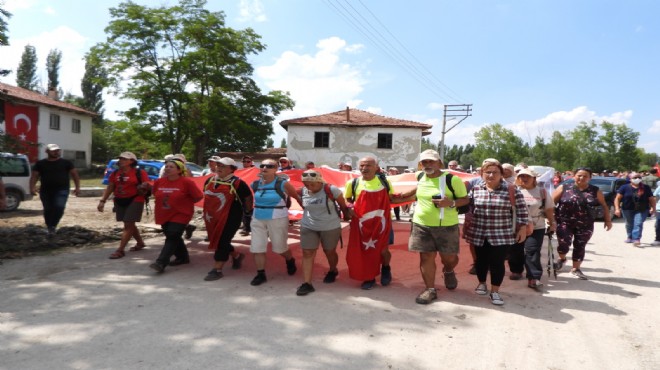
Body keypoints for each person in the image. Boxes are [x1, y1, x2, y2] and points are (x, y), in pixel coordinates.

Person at [398, 150, 468, 304]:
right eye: (424, 162)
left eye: (431, 161)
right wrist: (407, 193)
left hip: (447, 226)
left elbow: (465, 199)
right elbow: (421, 188)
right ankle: (430, 289)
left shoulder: (452, 180)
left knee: (449, 258)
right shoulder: (420, 176)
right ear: (420, 164)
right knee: (426, 257)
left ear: (439, 163)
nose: (428, 165)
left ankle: (448, 270)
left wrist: (451, 203)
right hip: (421, 224)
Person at [464, 158, 529, 306]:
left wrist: (523, 228)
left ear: (501, 174)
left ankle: (495, 291)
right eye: (488, 172)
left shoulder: (512, 190)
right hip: (478, 232)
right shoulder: (476, 190)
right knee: (480, 261)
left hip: (501, 234)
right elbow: (468, 209)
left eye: (495, 172)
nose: (491, 175)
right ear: (482, 174)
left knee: (497, 263)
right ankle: (481, 283)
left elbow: (522, 211)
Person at [344, 156, 399, 290]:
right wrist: (349, 208)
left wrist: (413, 195)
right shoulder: (353, 183)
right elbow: (347, 200)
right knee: (366, 251)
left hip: (382, 223)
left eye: (368, 165)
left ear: (376, 167)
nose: (364, 168)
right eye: (362, 166)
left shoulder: (384, 182)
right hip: (362, 224)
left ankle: (385, 267)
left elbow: (391, 199)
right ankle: (369, 277)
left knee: (383, 250)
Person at [295, 170, 351, 296]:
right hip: (308, 225)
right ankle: (307, 283)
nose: (309, 187)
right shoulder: (302, 191)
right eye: (306, 184)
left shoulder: (331, 190)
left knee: (329, 251)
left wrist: (347, 216)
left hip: (330, 226)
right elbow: (296, 198)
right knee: (307, 252)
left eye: (312, 184)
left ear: (319, 181)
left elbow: (343, 206)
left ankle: (332, 270)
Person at [249, 158, 302, 286]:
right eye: (262, 165)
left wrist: (308, 212)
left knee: (279, 248)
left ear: (276, 169)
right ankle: (260, 274)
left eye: (270, 166)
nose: (265, 168)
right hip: (257, 217)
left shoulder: (283, 184)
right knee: (257, 247)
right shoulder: (255, 184)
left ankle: (290, 260)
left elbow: (297, 197)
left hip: (277, 217)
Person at [553, 167, 612, 280]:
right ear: (574, 176)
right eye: (579, 175)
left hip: (586, 224)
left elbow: (604, 205)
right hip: (565, 221)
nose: (582, 178)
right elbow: (551, 203)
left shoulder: (595, 190)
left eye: (585, 176)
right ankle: (562, 258)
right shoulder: (563, 187)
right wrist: (550, 219)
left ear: (590, 178)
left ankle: (576, 269)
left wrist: (607, 220)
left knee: (580, 246)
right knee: (563, 243)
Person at [148, 158, 204, 273]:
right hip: (164, 213)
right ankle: (183, 257)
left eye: (171, 167)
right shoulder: (159, 182)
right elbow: (156, 194)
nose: (167, 168)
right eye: (166, 166)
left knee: (173, 234)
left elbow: (198, 196)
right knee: (172, 236)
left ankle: (161, 262)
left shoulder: (187, 182)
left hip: (181, 213)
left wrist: (184, 203)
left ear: (179, 170)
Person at [202, 157, 253, 281]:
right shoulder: (209, 180)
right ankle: (237, 256)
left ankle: (217, 269)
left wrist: (247, 214)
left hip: (231, 218)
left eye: (223, 166)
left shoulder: (238, 183)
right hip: (212, 217)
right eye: (218, 165)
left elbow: (247, 198)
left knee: (222, 240)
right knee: (218, 239)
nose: (219, 168)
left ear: (232, 169)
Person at [97, 152, 149, 259]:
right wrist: (102, 201)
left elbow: (147, 185)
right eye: (120, 158)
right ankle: (140, 243)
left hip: (135, 199)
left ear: (132, 161)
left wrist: (144, 187)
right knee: (129, 223)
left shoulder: (140, 172)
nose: (121, 161)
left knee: (128, 223)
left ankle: (120, 250)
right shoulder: (115, 173)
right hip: (119, 200)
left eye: (125, 159)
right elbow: (110, 187)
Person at [510, 168, 555, 289]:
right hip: (517, 226)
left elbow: (549, 209)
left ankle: (533, 277)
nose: (524, 179)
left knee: (532, 251)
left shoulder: (542, 192)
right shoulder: (514, 191)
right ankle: (516, 270)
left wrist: (552, 223)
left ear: (534, 179)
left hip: (537, 226)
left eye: (527, 176)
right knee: (515, 250)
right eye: (521, 176)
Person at [30, 143, 81, 237]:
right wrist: (32, 187)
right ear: (47, 151)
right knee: (48, 209)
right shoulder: (40, 163)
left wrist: (77, 187)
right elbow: (34, 176)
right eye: (53, 150)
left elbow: (75, 175)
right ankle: (49, 226)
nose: (56, 152)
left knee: (59, 207)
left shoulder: (66, 163)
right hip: (45, 191)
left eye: (57, 150)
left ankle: (52, 226)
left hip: (62, 190)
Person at [614, 171, 655, 247]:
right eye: (635, 177)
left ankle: (636, 239)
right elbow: (617, 199)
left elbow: (651, 199)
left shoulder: (646, 188)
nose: (637, 179)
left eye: (639, 177)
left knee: (638, 223)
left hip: (642, 209)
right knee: (629, 223)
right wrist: (617, 209)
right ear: (630, 179)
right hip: (627, 209)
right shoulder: (624, 187)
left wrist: (653, 208)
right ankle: (630, 237)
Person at [239, 155, 256, 236]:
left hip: (252, 194)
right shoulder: (238, 172)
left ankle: (247, 228)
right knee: (243, 211)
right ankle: (246, 227)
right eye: (244, 161)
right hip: (241, 194)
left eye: (248, 161)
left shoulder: (256, 171)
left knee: (248, 211)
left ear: (251, 162)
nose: (246, 163)